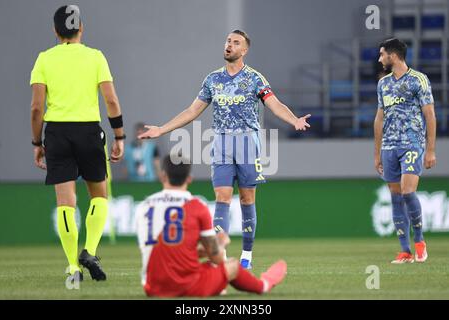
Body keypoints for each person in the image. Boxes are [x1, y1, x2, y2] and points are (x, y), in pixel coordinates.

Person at [138, 30, 311, 269]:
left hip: (247, 142)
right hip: (221, 142)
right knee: (222, 197)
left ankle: (247, 256)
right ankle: (219, 256)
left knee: (247, 198)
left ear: (245, 50)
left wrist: (294, 120)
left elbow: (274, 104)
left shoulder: (255, 78)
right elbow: (191, 112)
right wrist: (162, 129)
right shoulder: (212, 80)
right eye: (228, 41)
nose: (229, 45)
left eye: (236, 42)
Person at [30, 5, 125, 282]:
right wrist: (118, 136)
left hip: (57, 133)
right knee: (99, 196)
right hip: (88, 131)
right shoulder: (95, 57)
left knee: (66, 204)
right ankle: (91, 251)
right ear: (81, 27)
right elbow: (111, 101)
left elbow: (36, 108)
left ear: (55, 31)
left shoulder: (44, 60)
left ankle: (72, 267)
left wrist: (37, 142)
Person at [135, 155, 287, 297]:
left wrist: (201, 252)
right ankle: (263, 285)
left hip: (152, 287)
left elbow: (165, 247)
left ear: (162, 176)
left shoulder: (144, 206)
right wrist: (221, 242)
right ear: (189, 179)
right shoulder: (196, 206)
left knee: (206, 263)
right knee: (232, 265)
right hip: (188, 286)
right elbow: (217, 257)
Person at [374, 38, 436, 264]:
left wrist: (430, 150)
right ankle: (405, 251)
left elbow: (429, 115)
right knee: (395, 197)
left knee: (408, 192)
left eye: (382, 54)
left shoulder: (419, 80)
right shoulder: (383, 84)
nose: (380, 59)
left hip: (412, 143)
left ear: (393, 55)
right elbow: (379, 119)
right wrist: (377, 152)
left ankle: (420, 242)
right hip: (389, 146)